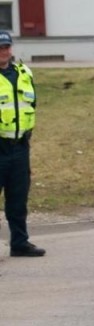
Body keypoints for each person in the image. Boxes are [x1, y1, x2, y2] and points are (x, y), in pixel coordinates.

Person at [0, 31, 45, 257]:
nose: (3, 51)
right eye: (0, 47)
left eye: (6, 46)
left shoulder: (24, 73)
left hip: (19, 146)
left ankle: (19, 243)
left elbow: (31, 104)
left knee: (18, 199)